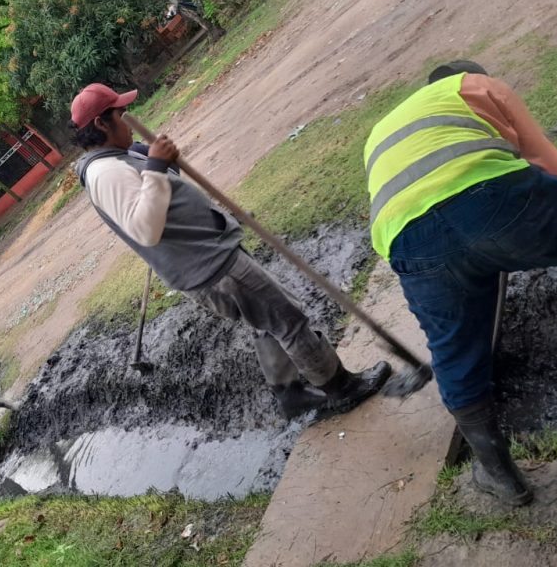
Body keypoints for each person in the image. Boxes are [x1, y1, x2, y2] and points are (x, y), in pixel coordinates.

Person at [362, 59, 557, 506]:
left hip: (409, 242)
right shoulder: (474, 86)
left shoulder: (380, 132)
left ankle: (499, 475)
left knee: (454, 351)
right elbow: (555, 170)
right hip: (490, 197)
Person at [68, 83, 392, 419]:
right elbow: (145, 229)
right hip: (212, 266)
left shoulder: (117, 158)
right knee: (287, 318)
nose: (129, 119)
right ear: (101, 123)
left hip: (210, 255)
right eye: (121, 114)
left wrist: (159, 162)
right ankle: (341, 389)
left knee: (265, 320)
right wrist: (155, 168)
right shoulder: (106, 173)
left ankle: (290, 393)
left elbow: (159, 184)